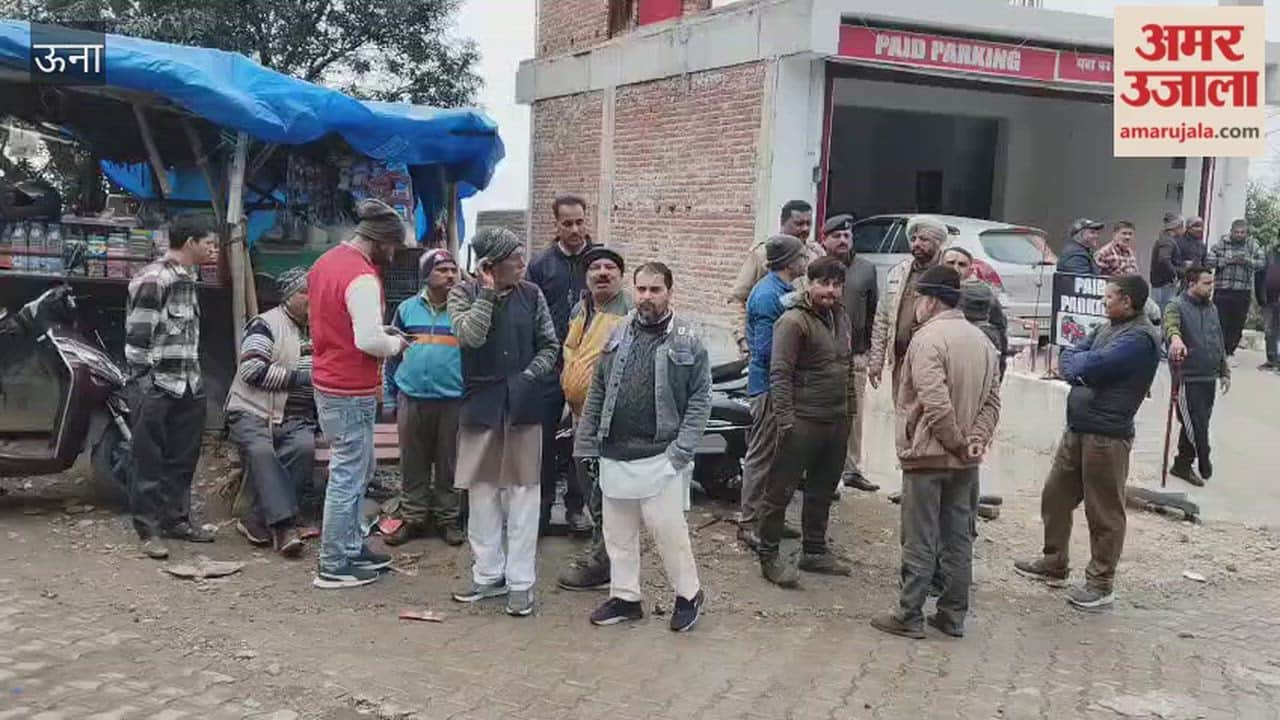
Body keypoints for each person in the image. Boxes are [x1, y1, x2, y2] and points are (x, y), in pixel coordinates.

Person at [575, 262, 712, 632]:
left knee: (668, 530)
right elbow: (599, 388)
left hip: (661, 455)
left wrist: (681, 451)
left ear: (670, 292)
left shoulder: (688, 338)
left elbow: (700, 398)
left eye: (655, 290)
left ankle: (688, 595)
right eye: (641, 290)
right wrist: (586, 441)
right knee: (617, 533)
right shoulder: (618, 331)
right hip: (615, 452)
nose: (647, 297)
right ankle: (625, 597)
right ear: (633, 291)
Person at [869, 266, 1001, 639]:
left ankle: (909, 614)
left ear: (928, 300)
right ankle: (952, 615)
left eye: (917, 301)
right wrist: (973, 443)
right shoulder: (982, 341)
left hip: (928, 458)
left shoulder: (927, 340)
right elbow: (992, 401)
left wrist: (957, 441)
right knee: (959, 537)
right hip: (966, 461)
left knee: (920, 537)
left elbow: (934, 402)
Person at [1015, 275, 1160, 610]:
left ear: (1127, 301)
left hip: (1107, 437)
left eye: (1108, 297)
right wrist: (1074, 364)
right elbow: (1074, 354)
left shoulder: (1139, 338)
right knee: (1055, 495)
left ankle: (1100, 582)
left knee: (1104, 512)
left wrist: (1075, 365)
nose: (1103, 302)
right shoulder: (1106, 328)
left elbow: (1092, 366)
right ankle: (1054, 562)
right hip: (1078, 430)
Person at [449, 228, 559, 617]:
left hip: (524, 407)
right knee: (482, 495)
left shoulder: (533, 295)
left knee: (523, 496)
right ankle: (487, 574)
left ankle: (521, 583)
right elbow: (471, 338)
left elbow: (550, 345)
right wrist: (488, 293)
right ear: (491, 265)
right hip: (480, 407)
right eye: (514, 257)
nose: (522, 262)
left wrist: (529, 376)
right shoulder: (463, 294)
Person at [309, 199, 410, 588]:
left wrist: (384, 333)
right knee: (349, 475)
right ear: (382, 240)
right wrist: (396, 345)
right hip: (349, 386)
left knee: (357, 468)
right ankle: (334, 563)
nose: (394, 254)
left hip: (329, 379)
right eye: (393, 246)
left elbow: (341, 318)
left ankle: (350, 546)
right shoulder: (361, 275)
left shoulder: (326, 263)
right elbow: (367, 339)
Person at [756, 256, 857, 587]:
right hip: (801, 419)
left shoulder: (841, 317)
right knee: (779, 490)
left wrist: (850, 412)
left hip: (835, 418)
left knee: (822, 489)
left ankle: (813, 550)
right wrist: (786, 421)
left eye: (836, 284)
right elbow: (780, 373)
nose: (830, 290)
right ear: (808, 284)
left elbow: (847, 368)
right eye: (823, 283)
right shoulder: (793, 321)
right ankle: (768, 556)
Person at [124, 214, 220, 559]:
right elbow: (137, 340)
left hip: (188, 384)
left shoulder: (188, 279)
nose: (214, 249)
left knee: (183, 458)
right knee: (148, 461)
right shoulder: (154, 278)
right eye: (209, 243)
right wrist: (146, 385)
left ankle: (176, 521)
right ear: (190, 242)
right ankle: (148, 531)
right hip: (157, 385)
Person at [557, 246, 635, 592]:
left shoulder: (630, 312)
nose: (602, 273)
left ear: (621, 276)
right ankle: (608, 556)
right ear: (585, 276)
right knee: (591, 486)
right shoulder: (582, 309)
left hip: (612, 420)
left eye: (610, 268)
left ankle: (606, 563)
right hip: (580, 415)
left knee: (609, 491)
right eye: (595, 268)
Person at [225, 267, 315, 557]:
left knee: (303, 448)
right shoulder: (265, 324)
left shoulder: (320, 326)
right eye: (305, 292)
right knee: (262, 451)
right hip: (252, 411)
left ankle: (255, 518)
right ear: (289, 297)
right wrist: (301, 377)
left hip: (296, 417)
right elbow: (251, 370)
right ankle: (285, 526)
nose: (312, 298)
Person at [381, 249, 466, 547]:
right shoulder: (406, 310)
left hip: (453, 401)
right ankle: (414, 518)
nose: (451, 275)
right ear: (426, 275)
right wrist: (389, 398)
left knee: (449, 464)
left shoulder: (464, 312)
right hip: (411, 398)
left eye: (453, 270)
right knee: (412, 464)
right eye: (442, 269)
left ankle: (448, 520)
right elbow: (391, 356)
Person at [527, 195, 595, 534]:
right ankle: (540, 509)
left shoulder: (599, 262)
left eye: (580, 221)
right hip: (551, 367)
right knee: (544, 440)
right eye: (567, 223)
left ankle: (576, 508)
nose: (575, 229)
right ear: (555, 224)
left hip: (588, 367)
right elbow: (529, 315)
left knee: (583, 441)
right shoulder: (540, 266)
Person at [737, 235, 809, 548]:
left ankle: (769, 518)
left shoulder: (783, 290)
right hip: (768, 387)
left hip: (780, 385)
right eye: (802, 257)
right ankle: (749, 522)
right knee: (762, 455)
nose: (806, 261)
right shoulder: (768, 296)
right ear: (790, 261)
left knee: (778, 456)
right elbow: (765, 349)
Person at [822, 214, 880, 494]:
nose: (843, 240)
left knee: (853, 416)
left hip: (854, 355)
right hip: (821, 357)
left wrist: (869, 353)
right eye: (837, 236)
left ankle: (851, 469)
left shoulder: (866, 269)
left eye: (847, 236)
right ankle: (821, 474)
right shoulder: (816, 268)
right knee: (823, 414)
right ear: (825, 240)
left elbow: (873, 312)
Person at [728, 200, 822, 357]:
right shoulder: (763, 254)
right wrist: (743, 341)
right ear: (783, 223)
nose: (805, 229)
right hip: (766, 345)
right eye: (798, 224)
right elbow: (738, 299)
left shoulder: (815, 255)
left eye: (808, 223)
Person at [1164, 267, 1231, 487]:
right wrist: (1175, 339)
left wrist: (1224, 371)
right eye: (1206, 283)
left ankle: (1182, 464)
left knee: (1199, 421)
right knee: (1194, 423)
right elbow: (1170, 326)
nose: (1211, 287)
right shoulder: (1176, 306)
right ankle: (1203, 456)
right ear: (1191, 283)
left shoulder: (1212, 308)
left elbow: (1218, 339)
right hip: (1187, 376)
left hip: (1208, 376)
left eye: (1212, 283)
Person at [868, 215, 945, 400]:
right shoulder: (898, 272)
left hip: (933, 364)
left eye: (924, 239)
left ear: (938, 243)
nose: (916, 244)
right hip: (901, 362)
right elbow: (882, 319)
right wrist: (876, 361)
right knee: (902, 418)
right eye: (913, 239)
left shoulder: (947, 274)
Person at [941, 247, 1008, 376]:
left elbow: (1000, 328)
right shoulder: (930, 292)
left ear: (970, 270)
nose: (955, 268)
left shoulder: (982, 294)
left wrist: (1000, 368)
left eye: (961, 264)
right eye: (950, 263)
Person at [1207, 219, 1265, 364]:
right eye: (1236, 232)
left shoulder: (1252, 245)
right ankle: (1217, 353)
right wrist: (1227, 260)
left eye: (1242, 232)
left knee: (1237, 323)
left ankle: (1230, 352)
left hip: (1242, 291)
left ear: (1247, 233)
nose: (1239, 235)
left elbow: (1262, 263)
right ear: (1231, 231)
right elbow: (1209, 261)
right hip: (1223, 289)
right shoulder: (1222, 243)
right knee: (1219, 322)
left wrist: (1247, 261)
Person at [1150, 213, 1184, 314]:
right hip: (1165, 285)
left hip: (1162, 284)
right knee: (1164, 314)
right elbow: (1164, 259)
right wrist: (1174, 275)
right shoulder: (1167, 241)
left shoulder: (1165, 240)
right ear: (1176, 227)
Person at [1259, 244, 1280, 372]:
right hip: (1269, 299)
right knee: (1269, 330)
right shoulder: (1270, 254)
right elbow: (1260, 275)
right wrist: (1261, 296)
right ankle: (1271, 360)